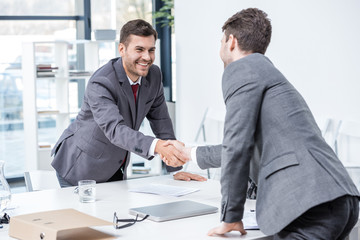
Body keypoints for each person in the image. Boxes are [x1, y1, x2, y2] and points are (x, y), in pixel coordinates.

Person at [165, 8, 360, 239]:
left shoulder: (241, 70)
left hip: (308, 205)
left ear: (231, 42)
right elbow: (250, 146)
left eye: (220, 41)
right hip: (338, 197)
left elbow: (236, 146)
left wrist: (231, 216)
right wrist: (189, 153)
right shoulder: (268, 74)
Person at [51, 19, 205, 187]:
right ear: (122, 49)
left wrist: (175, 168)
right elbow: (116, 130)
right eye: (139, 49)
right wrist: (158, 146)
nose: (147, 57)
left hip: (115, 165)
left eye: (151, 50)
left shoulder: (154, 75)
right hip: (80, 166)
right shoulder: (101, 82)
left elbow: (161, 120)